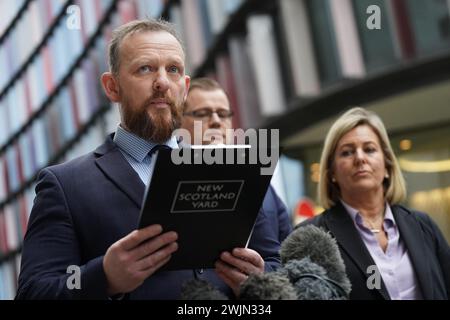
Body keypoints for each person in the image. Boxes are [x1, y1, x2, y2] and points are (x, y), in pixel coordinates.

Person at [16, 19, 284, 300]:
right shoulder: (65, 185)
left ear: (185, 85)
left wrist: (257, 282)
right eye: (145, 69)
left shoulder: (232, 170)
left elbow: (275, 266)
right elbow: (36, 291)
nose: (162, 83)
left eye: (174, 70)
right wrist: (104, 277)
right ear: (112, 86)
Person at [300, 107, 450, 300]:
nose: (360, 158)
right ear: (332, 173)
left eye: (369, 149)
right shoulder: (310, 237)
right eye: (347, 152)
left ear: (387, 166)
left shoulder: (423, 225)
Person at [180, 77, 292, 274]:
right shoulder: (170, 182)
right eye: (203, 114)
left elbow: (291, 257)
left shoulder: (264, 186)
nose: (216, 121)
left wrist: (262, 277)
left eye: (223, 114)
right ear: (180, 122)